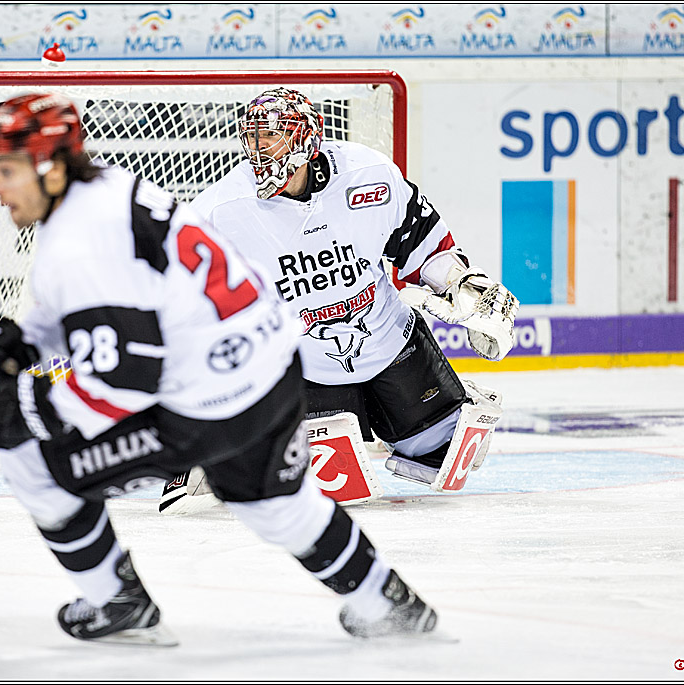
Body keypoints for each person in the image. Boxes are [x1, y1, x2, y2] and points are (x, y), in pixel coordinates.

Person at [0, 93, 439, 645]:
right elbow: (121, 297)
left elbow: (125, 381)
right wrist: (26, 340)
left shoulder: (77, 244)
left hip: (206, 404)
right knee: (278, 505)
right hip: (272, 370)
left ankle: (117, 601)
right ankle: (388, 601)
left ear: (51, 166)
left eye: (8, 170)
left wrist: (29, 413)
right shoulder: (111, 187)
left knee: (32, 463)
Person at [163, 87, 518, 509]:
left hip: (390, 342)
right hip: (306, 367)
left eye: (272, 137)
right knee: (320, 491)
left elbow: (424, 247)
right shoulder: (223, 208)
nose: (260, 152)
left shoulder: (368, 175)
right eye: (254, 138)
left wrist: (464, 288)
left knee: (445, 459)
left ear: (306, 140)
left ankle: (450, 402)